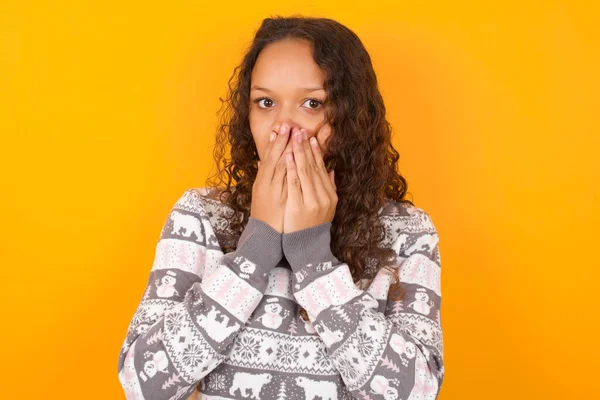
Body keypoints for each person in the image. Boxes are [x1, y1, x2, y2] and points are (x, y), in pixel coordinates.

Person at [117, 15, 444, 400]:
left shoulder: (407, 233)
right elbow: (143, 385)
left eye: (312, 103)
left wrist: (314, 259)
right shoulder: (202, 217)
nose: (282, 127)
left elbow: (416, 393)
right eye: (266, 102)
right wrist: (253, 252)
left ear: (353, 117)